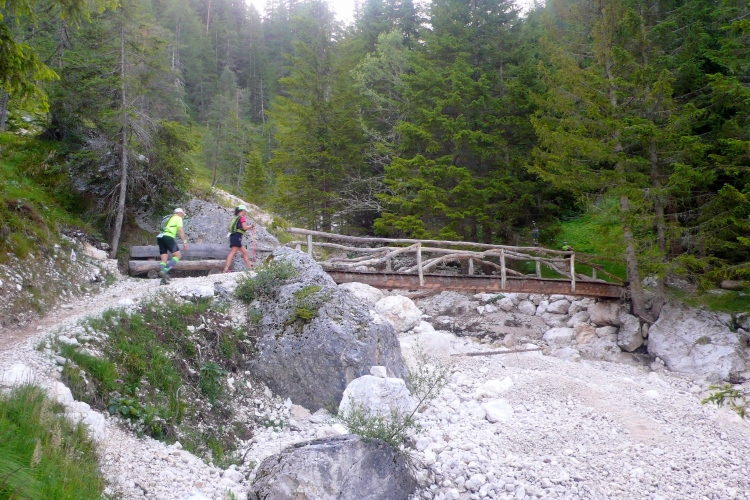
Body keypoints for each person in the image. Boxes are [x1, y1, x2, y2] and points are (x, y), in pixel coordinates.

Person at [157, 208, 188, 280]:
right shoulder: (178, 218)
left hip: (160, 237)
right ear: (179, 213)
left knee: (164, 259)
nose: (182, 216)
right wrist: (184, 242)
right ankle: (165, 271)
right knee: (178, 255)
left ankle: (163, 280)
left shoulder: (169, 217)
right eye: (182, 214)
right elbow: (180, 230)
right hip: (168, 237)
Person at [223, 205, 254, 273]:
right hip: (237, 237)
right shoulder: (242, 218)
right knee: (232, 253)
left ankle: (250, 269)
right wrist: (251, 226)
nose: (246, 212)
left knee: (245, 252)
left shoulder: (235, 218)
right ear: (242, 211)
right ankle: (225, 269)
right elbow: (244, 227)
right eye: (245, 211)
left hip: (233, 236)